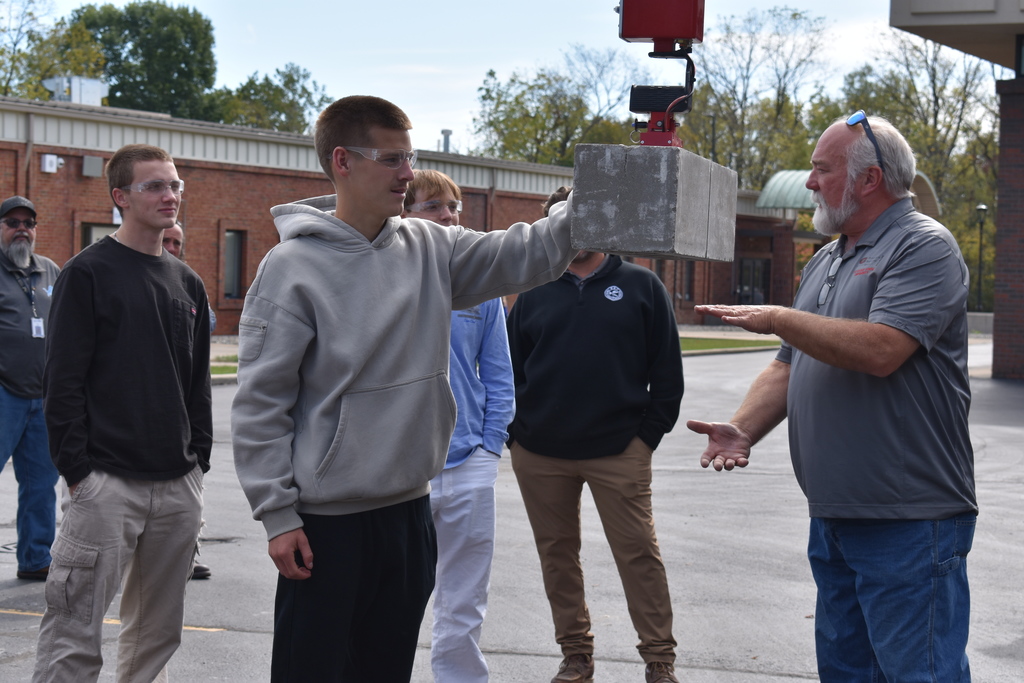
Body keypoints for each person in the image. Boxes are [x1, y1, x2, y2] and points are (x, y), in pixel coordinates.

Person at [230, 95, 575, 682]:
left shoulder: (431, 247)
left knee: (385, 671)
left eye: (410, 158)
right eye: (391, 159)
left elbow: (527, 253)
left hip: (409, 513)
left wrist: (595, 202)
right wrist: (278, 514)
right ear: (342, 161)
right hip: (326, 524)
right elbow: (261, 403)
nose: (408, 174)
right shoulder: (289, 268)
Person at [687, 113, 976, 682]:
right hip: (836, 514)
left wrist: (778, 317)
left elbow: (883, 348)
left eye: (822, 169)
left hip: (909, 520)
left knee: (919, 673)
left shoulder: (923, 246)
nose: (810, 182)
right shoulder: (827, 257)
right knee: (845, 672)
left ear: (869, 179)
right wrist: (744, 428)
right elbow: (788, 364)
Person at [34, 144, 212, 682]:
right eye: (154, 185)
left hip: (177, 485)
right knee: (74, 630)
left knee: (156, 634)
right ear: (121, 197)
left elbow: (196, 384)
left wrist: (197, 463)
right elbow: (62, 382)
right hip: (106, 483)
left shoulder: (187, 282)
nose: (169, 195)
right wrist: (79, 473)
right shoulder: (87, 273)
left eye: (174, 184)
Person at [506, 187, 684, 683]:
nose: (573, 231)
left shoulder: (642, 285)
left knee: (638, 553)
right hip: (540, 452)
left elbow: (667, 375)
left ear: (602, 223)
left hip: (619, 449)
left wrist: (645, 439)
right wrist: (515, 436)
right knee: (557, 556)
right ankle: (576, 655)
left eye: (582, 220)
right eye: (562, 221)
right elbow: (509, 371)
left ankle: (659, 660)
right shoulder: (533, 289)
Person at [403, 170, 514, 682]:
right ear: (405, 213)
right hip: (404, 470)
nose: (448, 216)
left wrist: (490, 449)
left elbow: (498, 373)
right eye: (434, 206)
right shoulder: (388, 277)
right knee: (396, 595)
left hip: (470, 462)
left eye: (453, 207)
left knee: (464, 600)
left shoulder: (480, 288)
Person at [0, 196, 61, 581]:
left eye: (29, 223)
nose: (22, 229)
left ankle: (36, 558)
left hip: (44, 396)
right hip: (3, 393)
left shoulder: (50, 270)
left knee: (41, 484)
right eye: (13, 222)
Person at [162, 221, 213, 581]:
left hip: (180, 439)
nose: (171, 247)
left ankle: (187, 557)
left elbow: (200, 378)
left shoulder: (189, 284)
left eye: (176, 242)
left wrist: (201, 457)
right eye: (166, 240)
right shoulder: (97, 273)